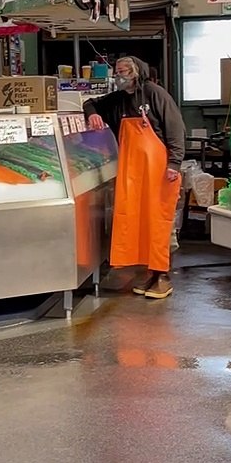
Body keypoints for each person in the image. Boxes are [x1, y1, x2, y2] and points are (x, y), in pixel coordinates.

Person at [84, 56, 185, 300]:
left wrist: (174, 163)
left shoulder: (155, 94)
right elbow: (90, 103)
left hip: (159, 169)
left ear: (136, 72)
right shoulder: (118, 99)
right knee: (136, 220)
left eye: (123, 71)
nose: (118, 75)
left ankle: (162, 275)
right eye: (116, 71)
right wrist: (92, 115)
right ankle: (149, 272)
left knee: (157, 221)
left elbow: (175, 129)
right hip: (132, 172)